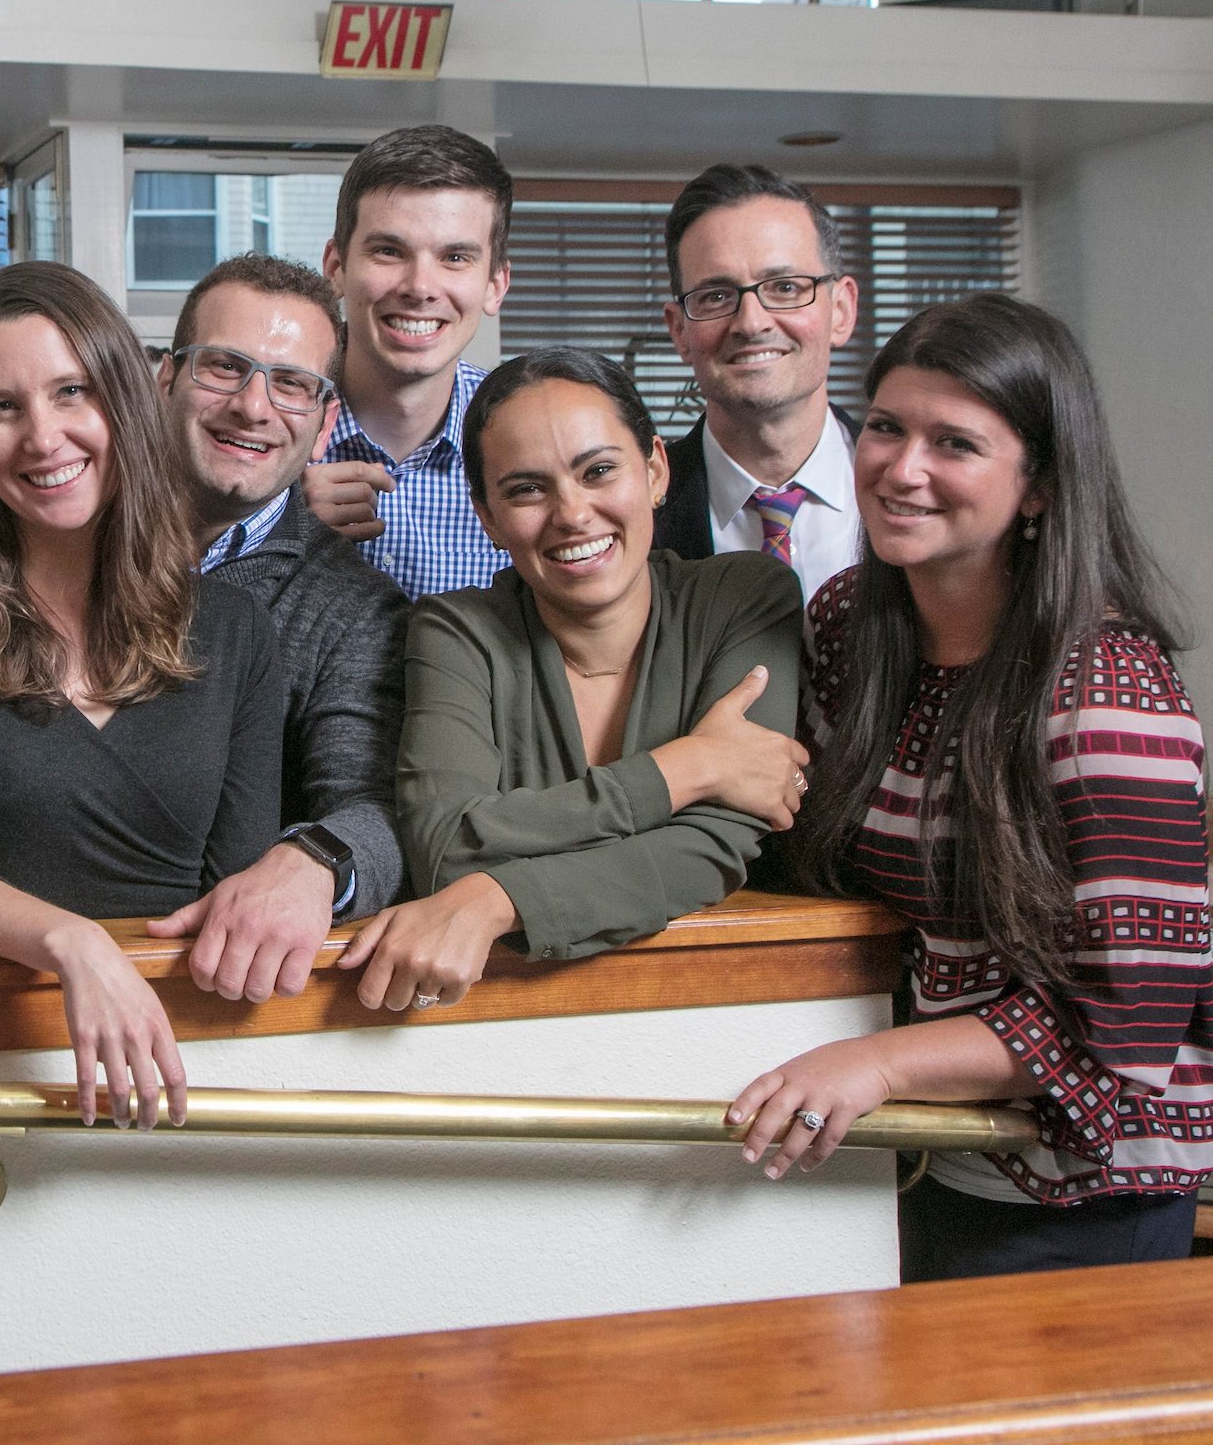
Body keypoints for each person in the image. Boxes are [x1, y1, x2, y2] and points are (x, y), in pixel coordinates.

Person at [726, 293, 1211, 1282]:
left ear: (1037, 488)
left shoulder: (1107, 688)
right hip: (919, 1160)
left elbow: (1128, 1012)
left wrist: (879, 1062)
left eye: (955, 443)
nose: (904, 468)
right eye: (891, 428)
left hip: (1086, 1190)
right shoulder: (851, 623)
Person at [0, 261, 283, 1129]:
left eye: (71, 392)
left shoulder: (236, 631)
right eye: (1, 408)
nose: (42, 437)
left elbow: (233, 892)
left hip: (178, 1057)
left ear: (125, 400)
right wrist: (76, 945)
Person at [342, 347, 805, 1013]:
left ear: (654, 471)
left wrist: (500, 897)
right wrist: (691, 768)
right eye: (527, 488)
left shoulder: (744, 598)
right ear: (488, 517)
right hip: (499, 1022)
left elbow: (713, 846)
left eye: (600, 471)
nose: (572, 513)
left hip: (709, 1014)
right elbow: (444, 851)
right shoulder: (456, 631)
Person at [140, 254, 412, 1004]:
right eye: (225, 367)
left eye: (291, 383)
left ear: (325, 423)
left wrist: (317, 859)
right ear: (165, 380)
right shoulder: (59, 543)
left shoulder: (357, 610)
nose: (254, 407)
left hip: (207, 994)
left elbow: (376, 804)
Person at [301, 124, 514, 598]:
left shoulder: (524, 440)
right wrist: (277, 525)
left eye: (455, 257)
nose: (419, 287)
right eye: (389, 251)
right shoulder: (263, 428)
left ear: (496, 284)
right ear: (336, 267)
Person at [655, 164, 863, 601]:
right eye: (715, 296)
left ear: (841, 310)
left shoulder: (914, 490)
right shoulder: (635, 514)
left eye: (785, 287)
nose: (751, 323)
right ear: (679, 332)